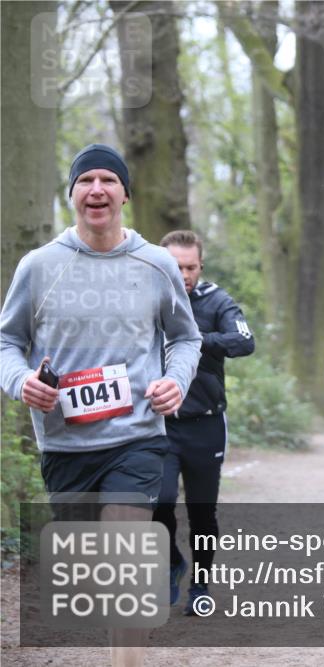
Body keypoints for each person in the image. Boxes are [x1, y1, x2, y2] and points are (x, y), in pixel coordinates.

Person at [0, 143, 202, 667]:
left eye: (109, 181)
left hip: (136, 436)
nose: (97, 190)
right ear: (71, 195)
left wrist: (175, 382)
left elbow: (186, 338)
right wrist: (21, 381)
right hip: (65, 442)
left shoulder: (156, 263)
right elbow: (6, 344)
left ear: (125, 195)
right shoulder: (40, 266)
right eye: (85, 181)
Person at [154, 230, 254, 616]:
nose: (184, 274)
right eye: (176, 266)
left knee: (201, 511)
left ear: (201, 265)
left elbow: (244, 342)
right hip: (159, 422)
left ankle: (200, 584)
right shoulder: (145, 296)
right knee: (158, 502)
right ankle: (171, 563)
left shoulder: (215, 299)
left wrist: (195, 340)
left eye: (191, 267)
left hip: (205, 423)